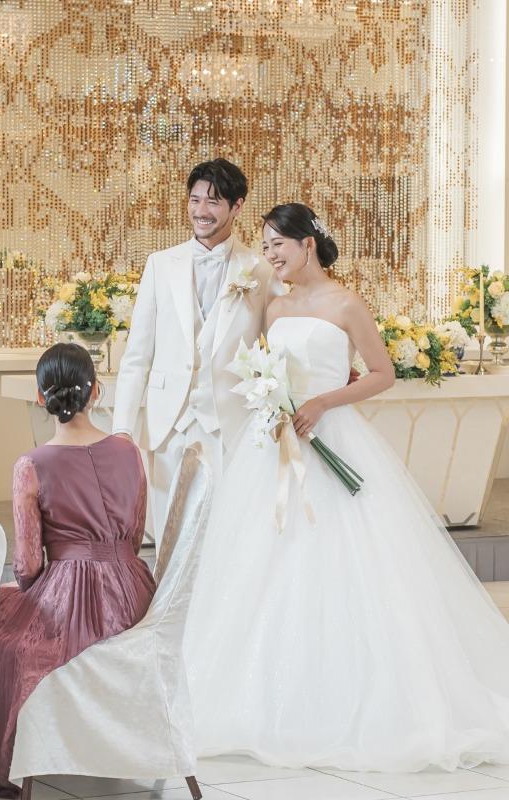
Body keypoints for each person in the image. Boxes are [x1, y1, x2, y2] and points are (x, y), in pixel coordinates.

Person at [183, 203, 509, 770]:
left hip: (331, 432)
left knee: (346, 558)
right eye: (265, 246)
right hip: (277, 444)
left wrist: (322, 402)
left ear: (308, 243)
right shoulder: (275, 307)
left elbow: (382, 373)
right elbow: (266, 368)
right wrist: (274, 400)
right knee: (263, 558)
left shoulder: (346, 303)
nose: (270, 255)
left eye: (278, 244)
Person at [0, 343, 155, 795]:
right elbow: (136, 535)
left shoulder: (31, 465)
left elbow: (27, 565)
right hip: (135, 592)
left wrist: (34, 588)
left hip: (69, 596)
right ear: (95, 391)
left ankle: (11, 765)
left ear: (40, 397)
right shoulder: (129, 451)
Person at [112, 158, 282, 544]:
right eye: (195, 200)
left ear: (237, 206)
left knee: (226, 536)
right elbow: (137, 356)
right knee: (169, 537)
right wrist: (122, 429)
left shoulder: (261, 269)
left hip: (230, 423)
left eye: (213, 202)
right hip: (168, 424)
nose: (201, 211)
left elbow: (278, 343)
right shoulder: (160, 265)